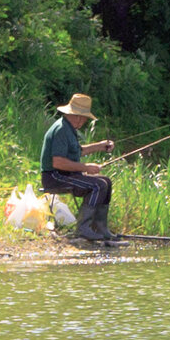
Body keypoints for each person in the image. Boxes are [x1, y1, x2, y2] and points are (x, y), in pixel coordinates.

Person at [40, 93, 117, 241]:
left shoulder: (68, 128)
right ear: (78, 116)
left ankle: (99, 228)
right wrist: (86, 167)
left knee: (106, 181)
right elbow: (58, 162)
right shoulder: (61, 130)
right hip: (55, 177)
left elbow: (78, 151)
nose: (84, 121)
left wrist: (100, 146)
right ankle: (83, 229)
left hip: (65, 175)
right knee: (98, 185)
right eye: (85, 118)